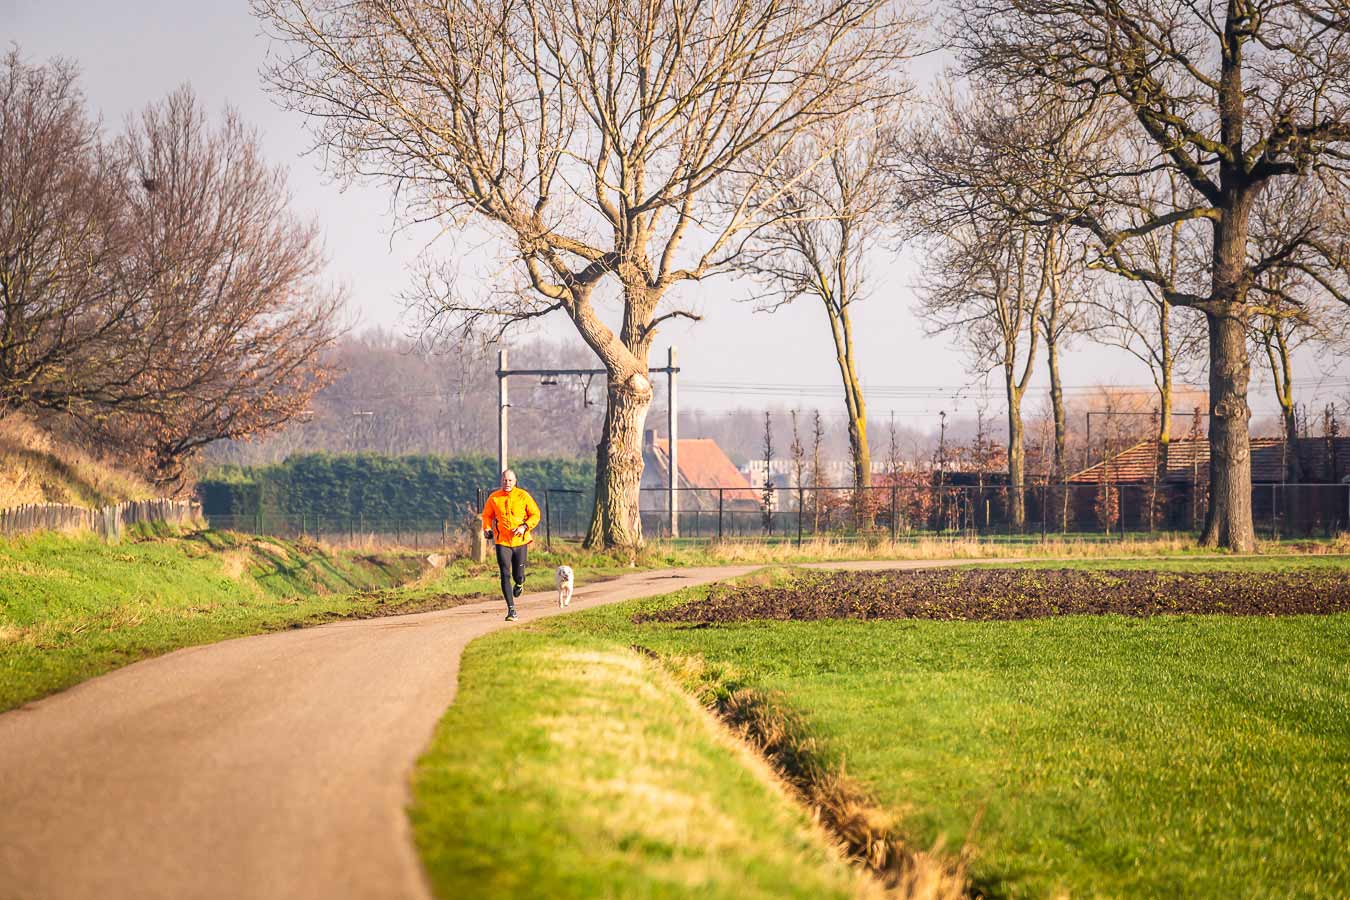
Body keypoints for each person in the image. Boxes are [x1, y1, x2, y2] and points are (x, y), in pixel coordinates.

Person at [481, 469, 541, 621]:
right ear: (501, 481)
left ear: (515, 482)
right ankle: (511, 610)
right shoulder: (494, 498)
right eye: (505, 480)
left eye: (510, 480)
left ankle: (520, 583)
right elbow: (487, 515)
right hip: (502, 542)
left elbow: (536, 514)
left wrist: (524, 526)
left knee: (518, 575)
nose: (507, 483)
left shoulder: (523, 496)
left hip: (520, 541)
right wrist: (487, 528)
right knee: (505, 574)